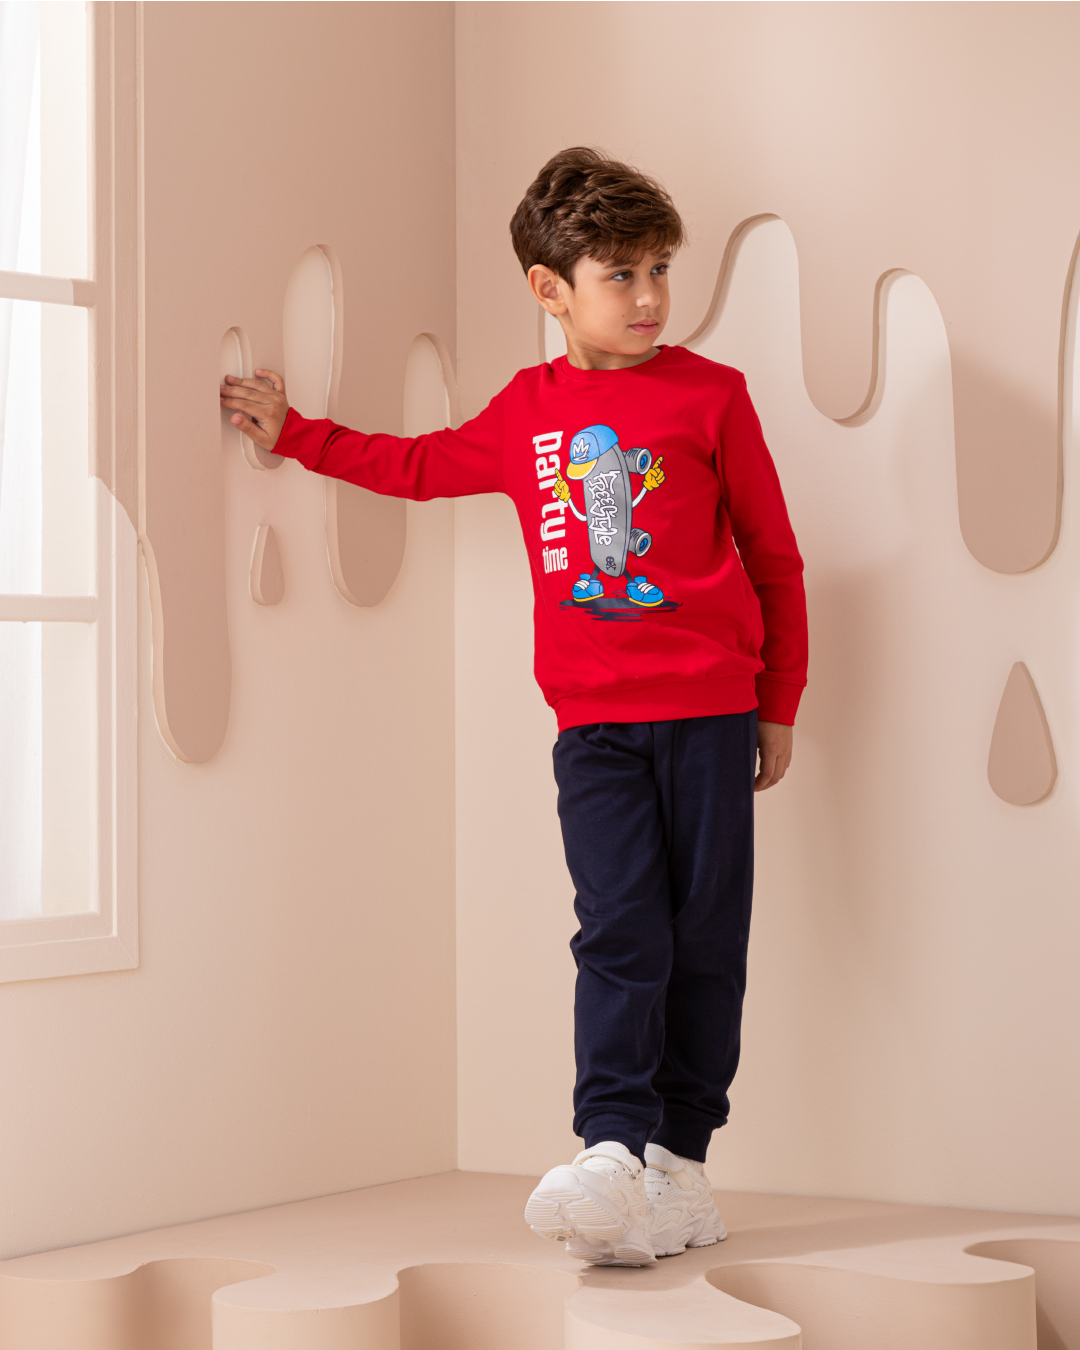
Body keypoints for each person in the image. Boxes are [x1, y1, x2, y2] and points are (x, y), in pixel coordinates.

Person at [220, 147, 807, 1268]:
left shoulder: (712, 396)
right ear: (551, 288)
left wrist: (776, 704)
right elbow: (417, 466)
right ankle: (610, 1151)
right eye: (620, 274)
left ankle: (681, 1170)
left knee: (704, 938)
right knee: (619, 929)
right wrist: (295, 435)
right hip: (592, 725)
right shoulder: (529, 413)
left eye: (659, 269)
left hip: (710, 711)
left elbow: (775, 558)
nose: (648, 296)